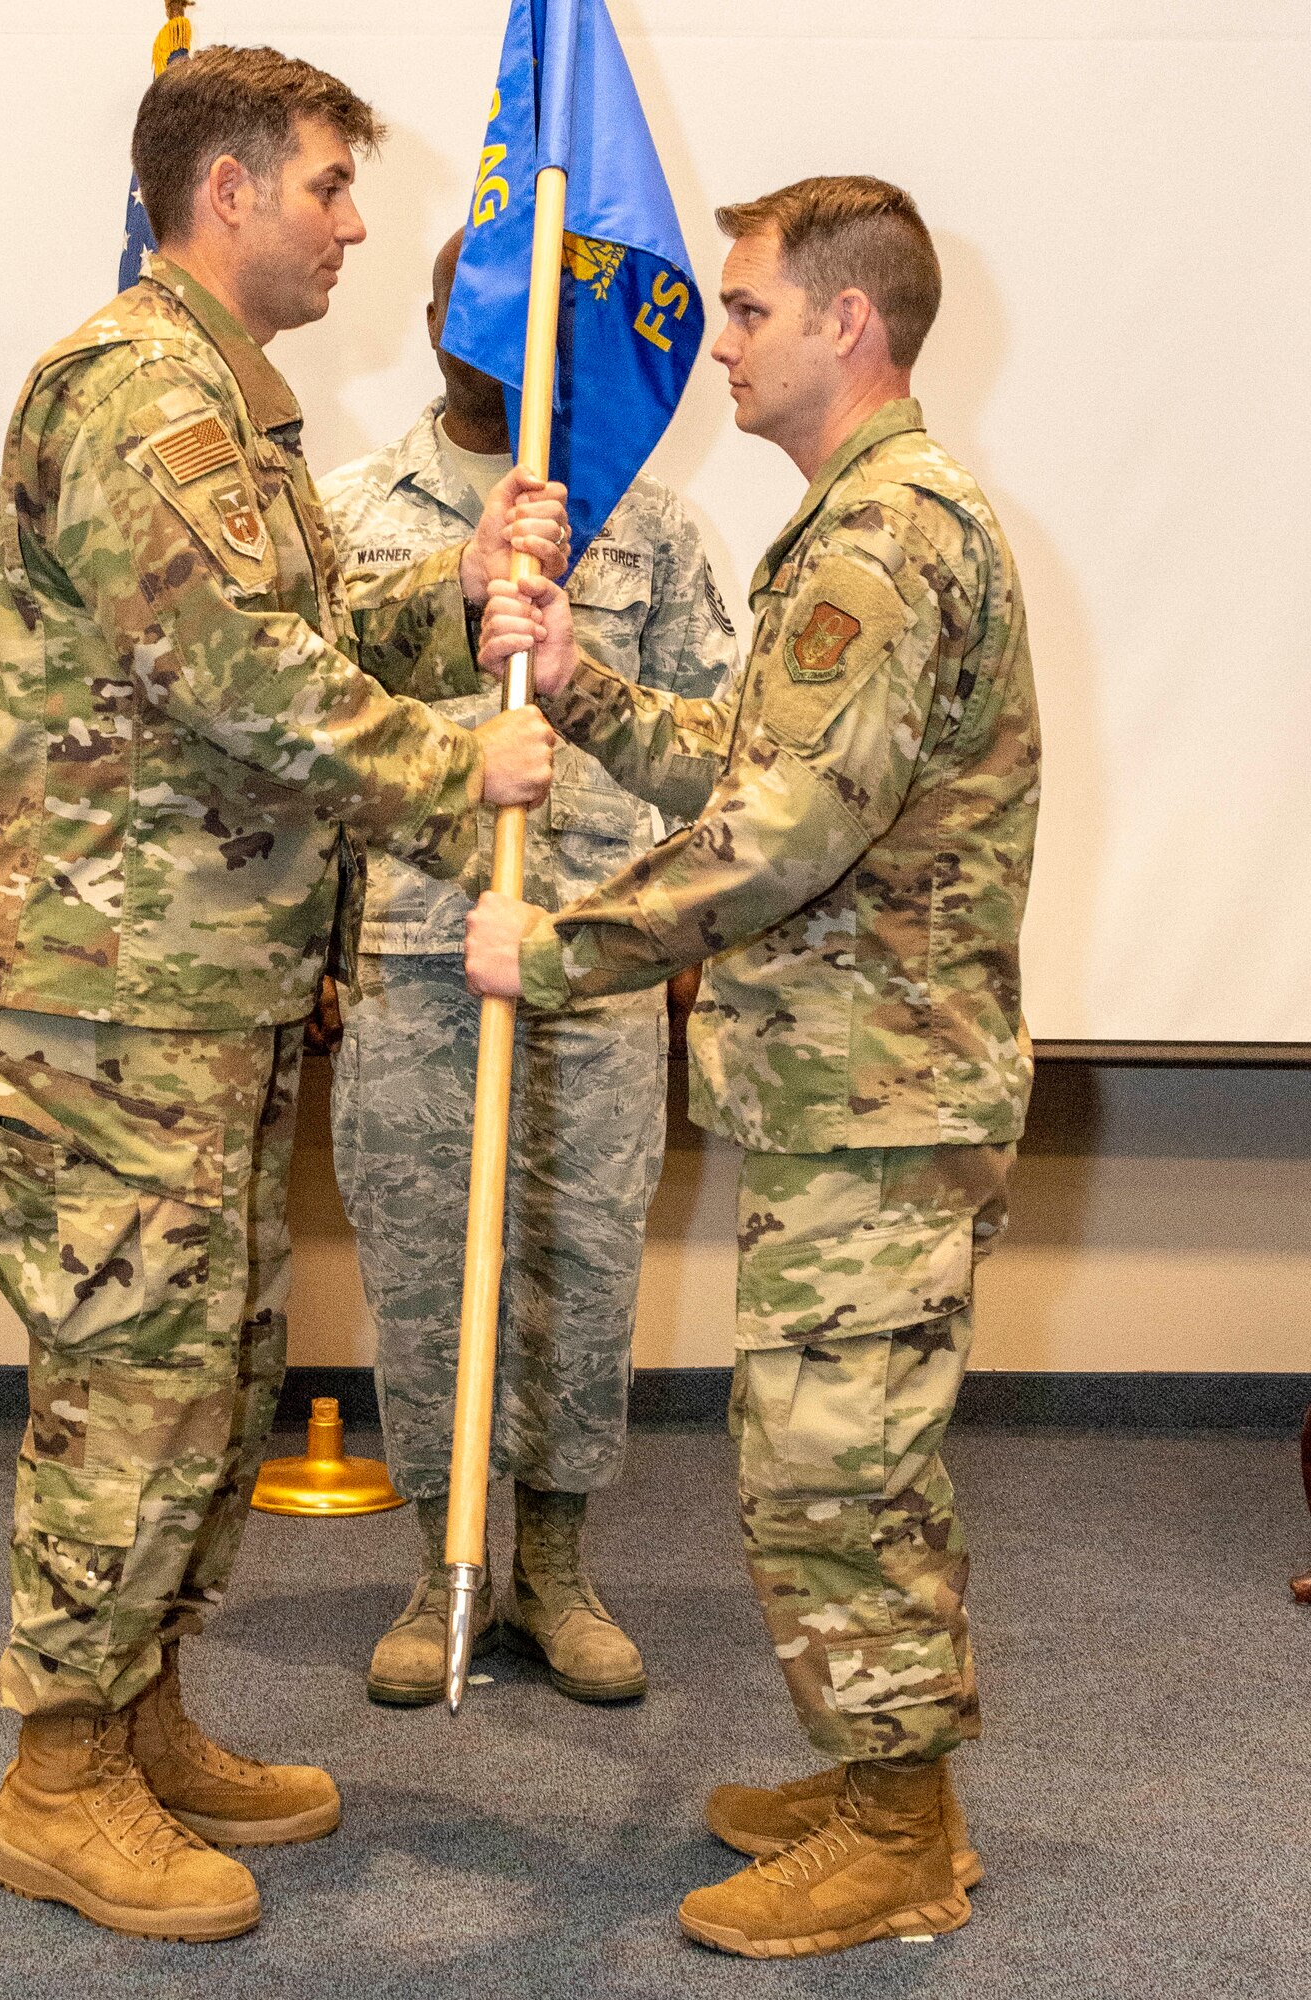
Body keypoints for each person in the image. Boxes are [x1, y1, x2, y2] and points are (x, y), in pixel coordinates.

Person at [0, 45, 568, 1942]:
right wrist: (463, 757)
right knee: (131, 1374)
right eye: (324, 187)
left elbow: (292, 624)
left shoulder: (231, 407)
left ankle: (135, 1716)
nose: (356, 225)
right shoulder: (139, 394)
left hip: (197, 977)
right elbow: (241, 680)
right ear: (226, 191)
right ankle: (56, 1778)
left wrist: (448, 581)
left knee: (211, 1364)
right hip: (116, 981)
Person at [465, 175, 1040, 1960]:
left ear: (846, 325)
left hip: (883, 1100)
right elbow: (751, 763)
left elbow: (780, 836)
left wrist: (554, 948)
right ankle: (878, 1783)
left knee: (838, 1464)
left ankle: (899, 1833)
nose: (719, 340)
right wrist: (580, 686)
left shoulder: (885, 538)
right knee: (821, 1451)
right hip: (847, 1093)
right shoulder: (857, 522)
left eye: (747, 309)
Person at [316, 229, 740, 1707]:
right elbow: (301, 755)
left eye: (530, 312)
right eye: (471, 305)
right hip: (419, 963)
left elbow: (721, 756)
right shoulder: (353, 517)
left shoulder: (652, 531)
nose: (497, 333)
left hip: (595, 974)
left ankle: (553, 1567)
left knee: (580, 1273)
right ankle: (446, 1571)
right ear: (433, 320)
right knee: (426, 1281)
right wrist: (319, 949)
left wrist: (686, 942)